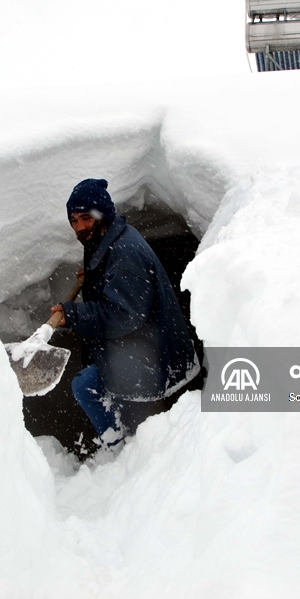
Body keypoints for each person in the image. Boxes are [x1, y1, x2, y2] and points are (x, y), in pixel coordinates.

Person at [49, 179, 200, 447]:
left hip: (158, 356)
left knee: (85, 386)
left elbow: (123, 316)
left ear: (102, 214)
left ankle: (117, 447)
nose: (79, 226)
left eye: (86, 217)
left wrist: (72, 315)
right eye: (73, 219)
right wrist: (95, 275)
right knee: (97, 372)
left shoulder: (124, 252)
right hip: (147, 342)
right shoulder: (108, 240)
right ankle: (123, 429)